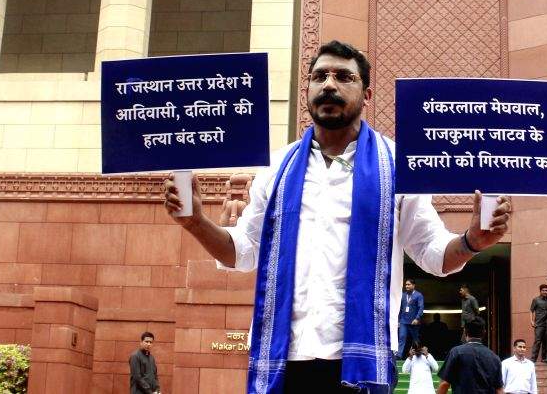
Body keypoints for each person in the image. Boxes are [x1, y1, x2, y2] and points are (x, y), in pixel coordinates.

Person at [163, 41, 513, 394]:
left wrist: (471, 242)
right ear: (308, 90)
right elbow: (243, 251)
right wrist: (195, 222)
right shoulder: (275, 168)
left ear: (367, 93)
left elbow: (433, 254)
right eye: (320, 76)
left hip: (360, 363)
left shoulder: (397, 165)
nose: (329, 84)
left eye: (344, 76)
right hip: (283, 360)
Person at [437, 317, 503, 394]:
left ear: (465, 332)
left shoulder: (456, 352)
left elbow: (444, 384)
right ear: (484, 332)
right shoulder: (494, 357)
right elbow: (499, 389)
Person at [399, 279, 426, 359]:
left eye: (409, 284)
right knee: (402, 337)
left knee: (415, 339)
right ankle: (399, 355)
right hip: (403, 321)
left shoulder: (418, 295)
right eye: (406, 284)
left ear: (413, 285)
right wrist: (398, 320)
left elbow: (421, 307)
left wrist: (417, 318)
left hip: (414, 321)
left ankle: (419, 355)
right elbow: (400, 308)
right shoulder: (403, 295)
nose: (406, 286)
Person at [529, 284, 547, 362]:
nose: (545, 292)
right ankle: (533, 359)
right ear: (540, 291)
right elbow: (531, 310)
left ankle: (544, 359)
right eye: (543, 290)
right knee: (537, 341)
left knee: (546, 342)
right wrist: (531, 321)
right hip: (539, 324)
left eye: (546, 290)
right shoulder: (536, 300)